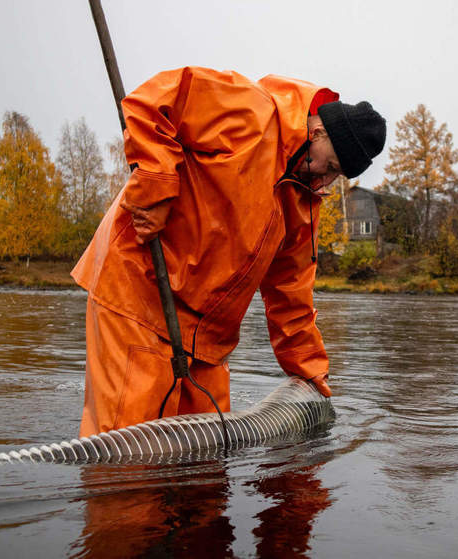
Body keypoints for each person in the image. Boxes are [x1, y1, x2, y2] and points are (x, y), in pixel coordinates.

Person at [72, 66, 385, 437]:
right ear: (316, 132)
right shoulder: (249, 110)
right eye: (329, 165)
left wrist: (311, 375)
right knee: (129, 454)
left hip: (207, 339)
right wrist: (156, 185)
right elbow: (150, 104)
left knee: (207, 466)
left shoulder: (304, 199)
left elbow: (291, 295)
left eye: (336, 175)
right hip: (138, 294)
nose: (325, 179)